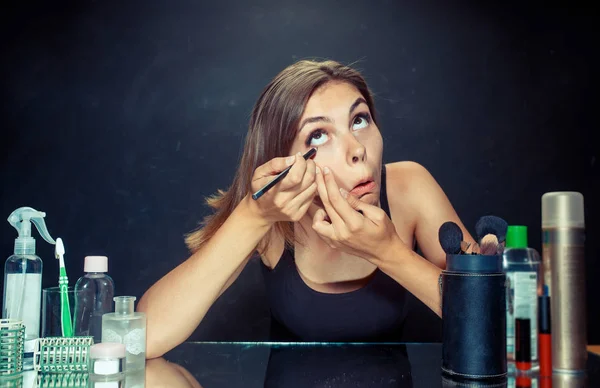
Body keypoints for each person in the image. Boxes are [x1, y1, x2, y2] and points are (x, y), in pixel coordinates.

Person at [137, 59, 475, 358]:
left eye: (359, 120)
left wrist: (388, 252)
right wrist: (252, 215)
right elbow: (146, 338)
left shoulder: (409, 186)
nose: (357, 149)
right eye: (318, 136)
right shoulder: (275, 214)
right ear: (286, 161)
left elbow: (492, 318)